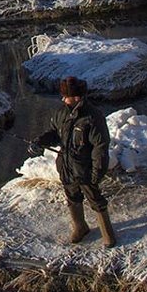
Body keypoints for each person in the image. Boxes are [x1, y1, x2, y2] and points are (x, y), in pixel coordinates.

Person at [34, 76, 117, 247]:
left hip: (85, 168)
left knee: (96, 200)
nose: (63, 99)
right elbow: (55, 133)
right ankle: (81, 227)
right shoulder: (61, 112)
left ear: (77, 97)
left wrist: (97, 172)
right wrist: (40, 142)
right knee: (72, 197)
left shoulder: (93, 117)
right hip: (66, 166)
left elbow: (100, 147)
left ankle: (107, 234)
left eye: (66, 96)